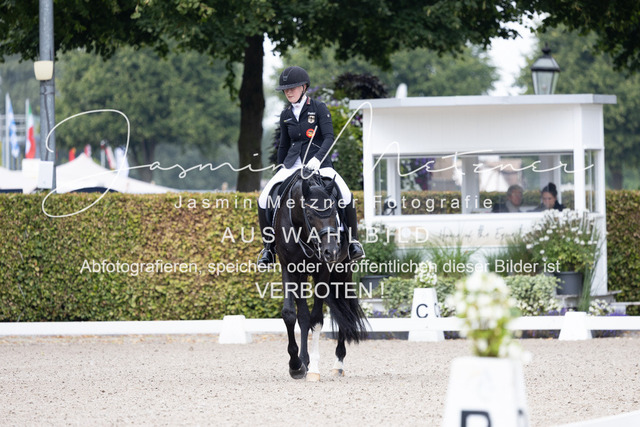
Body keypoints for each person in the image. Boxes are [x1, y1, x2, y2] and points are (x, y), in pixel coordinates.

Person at [257, 66, 365, 265]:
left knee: (345, 194)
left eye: (292, 88)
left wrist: (317, 160)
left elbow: (329, 137)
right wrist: (281, 167)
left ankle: (353, 243)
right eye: (286, 89)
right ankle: (268, 248)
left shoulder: (319, 108)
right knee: (264, 199)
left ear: (304, 87)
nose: (288, 92)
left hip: (319, 164)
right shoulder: (286, 114)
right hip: (292, 165)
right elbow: (283, 145)